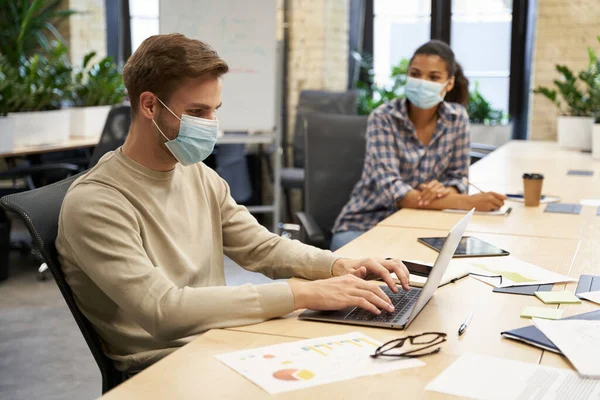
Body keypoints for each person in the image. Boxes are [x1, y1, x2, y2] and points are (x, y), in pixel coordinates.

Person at [55, 34, 410, 374]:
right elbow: (163, 310)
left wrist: (338, 266)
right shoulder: (95, 202)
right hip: (167, 366)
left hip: (224, 340)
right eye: (197, 111)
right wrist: (301, 293)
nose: (212, 126)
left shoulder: (198, 175)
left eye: (214, 111)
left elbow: (261, 247)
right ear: (149, 105)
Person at [331, 40, 506, 251]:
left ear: (449, 83)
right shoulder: (384, 118)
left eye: (433, 77)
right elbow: (399, 196)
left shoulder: (456, 118)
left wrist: (443, 189)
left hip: (421, 225)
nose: (422, 82)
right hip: (365, 225)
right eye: (415, 74)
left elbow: (458, 178)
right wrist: (469, 203)